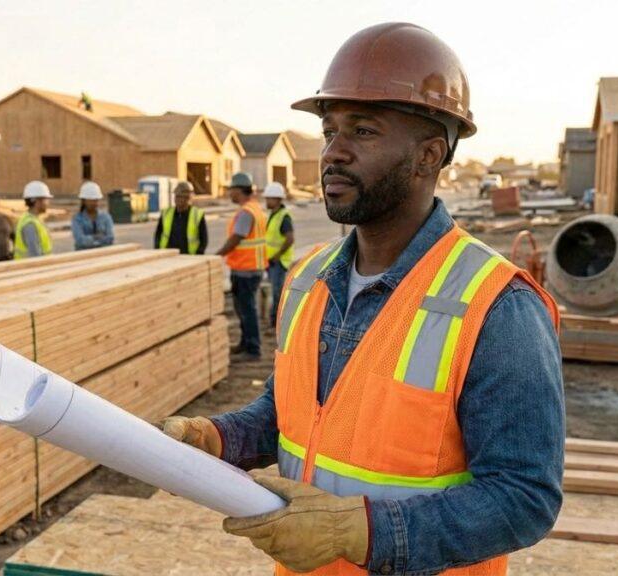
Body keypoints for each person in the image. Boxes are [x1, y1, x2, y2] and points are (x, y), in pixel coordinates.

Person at [162, 23, 564, 575]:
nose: (333, 154)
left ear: (428, 156)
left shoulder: (497, 305)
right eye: (330, 131)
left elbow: (524, 498)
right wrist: (215, 438)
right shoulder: (309, 279)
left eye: (364, 132)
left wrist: (362, 533)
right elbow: (290, 419)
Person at [215, 172, 267, 361]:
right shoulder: (254, 208)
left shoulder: (246, 212)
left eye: (232, 190)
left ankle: (252, 349)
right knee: (243, 309)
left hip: (246, 270)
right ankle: (246, 343)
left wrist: (219, 253)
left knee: (247, 310)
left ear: (239, 190)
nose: (230, 194)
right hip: (250, 268)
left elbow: (237, 238)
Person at [262, 182, 294, 328]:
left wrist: (278, 255)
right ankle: (275, 320)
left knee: (278, 294)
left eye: (269, 198)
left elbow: (290, 238)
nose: (266, 201)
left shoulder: (284, 217)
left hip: (279, 262)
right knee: (275, 292)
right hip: (272, 261)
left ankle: (276, 322)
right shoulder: (274, 215)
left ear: (277, 199)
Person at [154, 181, 208, 254]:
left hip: (189, 256)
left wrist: (198, 254)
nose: (178, 199)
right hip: (167, 255)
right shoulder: (166, 213)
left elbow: (204, 239)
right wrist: (157, 249)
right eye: (177, 196)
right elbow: (158, 234)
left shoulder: (197, 215)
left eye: (181, 197)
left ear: (188, 199)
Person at [14, 180, 53, 259]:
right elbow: (35, 255)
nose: (48, 203)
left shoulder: (36, 219)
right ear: (36, 201)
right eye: (46, 199)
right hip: (31, 269)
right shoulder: (29, 224)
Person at [72, 181, 115, 250]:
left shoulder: (105, 217)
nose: (94, 203)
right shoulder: (77, 219)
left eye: (96, 200)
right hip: (83, 256)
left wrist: (90, 240)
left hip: (104, 256)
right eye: (91, 200)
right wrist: (97, 237)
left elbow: (110, 238)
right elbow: (80, 240)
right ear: (84, 201)